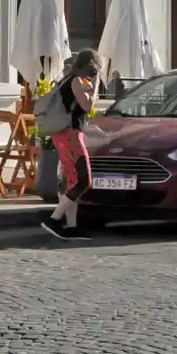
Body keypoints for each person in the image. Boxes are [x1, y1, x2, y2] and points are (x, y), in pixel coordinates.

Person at [41, 49, 102, 240]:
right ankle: (53, 219)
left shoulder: (72, 80)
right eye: (96, 67)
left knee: (73, 181)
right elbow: (88, 106)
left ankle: (72, 227)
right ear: (90, 65)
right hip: (70, 136)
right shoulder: (75, 81)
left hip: (68, 134)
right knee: (84, 180)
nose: (96, 72)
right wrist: (97, 85)